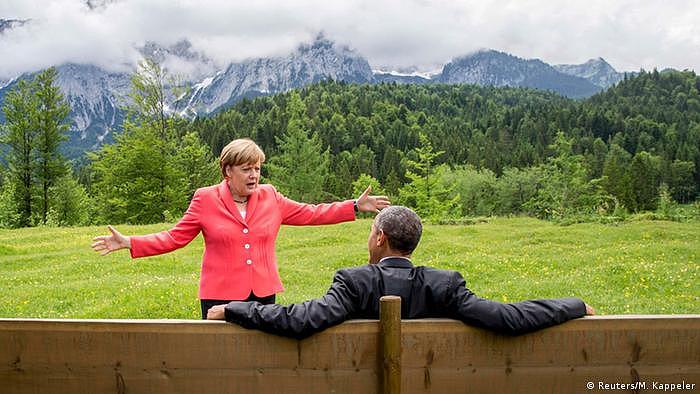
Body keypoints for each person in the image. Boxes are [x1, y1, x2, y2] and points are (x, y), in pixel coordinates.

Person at [91, 138, 390, 318]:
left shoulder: (271, 196)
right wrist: (130, 242)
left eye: (257, 168)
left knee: (260, 359)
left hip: (262, 293)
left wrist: (353, 206)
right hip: (219, 294)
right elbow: (174, 237)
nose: (254, 175)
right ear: (227, 171)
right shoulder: (205, 199)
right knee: (219, 361)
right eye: (247, 169)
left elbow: (310, 213)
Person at [207, 206, 595, 339]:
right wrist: (573, 305)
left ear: (380, 238)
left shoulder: (354, 282)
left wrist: (235, 309)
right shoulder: (444, 284)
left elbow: (301, 320)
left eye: (370, 231)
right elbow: (508, 318)